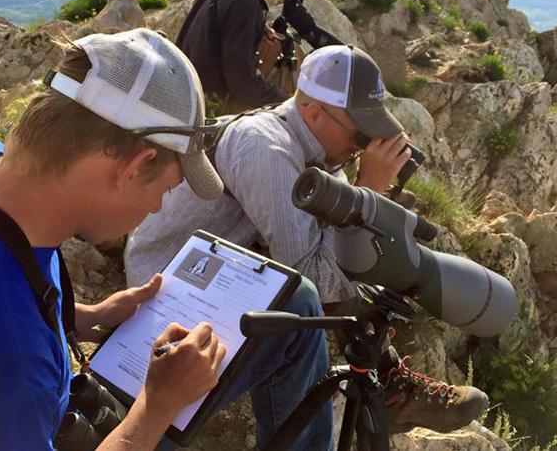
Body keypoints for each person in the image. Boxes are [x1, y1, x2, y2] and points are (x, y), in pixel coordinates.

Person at [0, 29, 332, 451]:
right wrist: (156, 406)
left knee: (294, 309)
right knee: (295, 315)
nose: (156, 209)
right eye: (164, 189)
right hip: (16, 414)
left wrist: (85, 316)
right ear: (135, 165)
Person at [126, 44, 489, 434]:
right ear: (314, 111)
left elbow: (342, 261)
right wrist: (370, 192)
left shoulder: (322, 157)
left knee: (347, 262)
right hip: (169, 291)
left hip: (219, 272)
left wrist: (369, 207)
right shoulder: (265, 146)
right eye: (360, 129)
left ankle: (389, 385)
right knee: (304, 298)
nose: (363, 142)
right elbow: (312, 276)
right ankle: (380, 399)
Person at [177, 0, 340, 113]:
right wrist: (289, 105)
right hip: (204, 104)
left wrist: (259, 27)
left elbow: (219, 20)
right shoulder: (245, 3)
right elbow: (243, 84)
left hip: (186, 81)